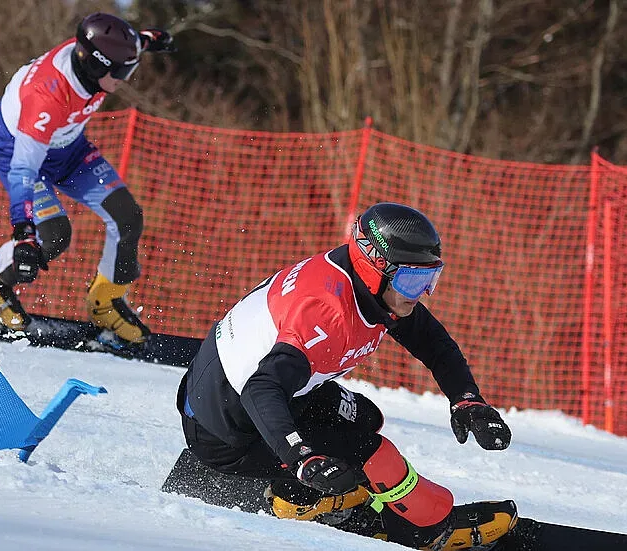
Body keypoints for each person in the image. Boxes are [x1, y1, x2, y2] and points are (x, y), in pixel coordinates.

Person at [164, 202, 518, 550]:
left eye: (430, 279)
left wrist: (466, 400)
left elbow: (436, 345)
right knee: (373, 453)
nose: (422, 293)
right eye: (414, 280)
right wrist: (302, 458)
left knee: (365, 417)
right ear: (376, 266)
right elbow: (261, 389)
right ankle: (426, 529)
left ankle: (300, 490)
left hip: (236, 392)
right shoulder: (328, 313)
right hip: (227, 430)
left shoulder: (371, 286)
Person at [0, 12, 174, 347]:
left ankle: (105, 303)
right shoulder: (47, 99)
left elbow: (133, 42)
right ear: (97, 67)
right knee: (52, 236)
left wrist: (149, 40)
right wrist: (23, 232)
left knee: (127, 217)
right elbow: (23, 170)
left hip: (68, 147)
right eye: (123, 70)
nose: (127, 77)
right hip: (21, 150)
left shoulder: (95, 60)